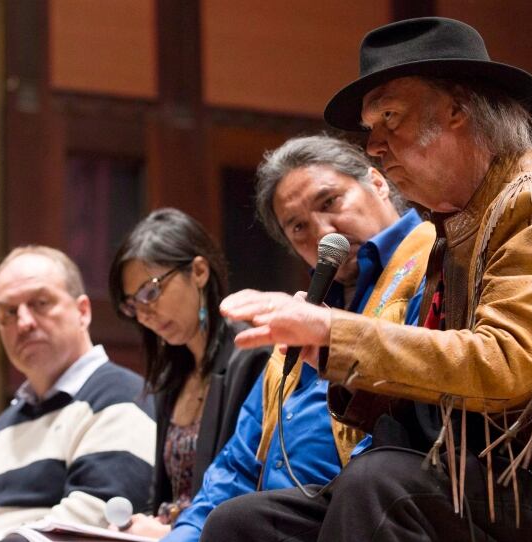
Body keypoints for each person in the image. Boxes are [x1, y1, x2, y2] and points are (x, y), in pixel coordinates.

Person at [207, 17, 532, 542]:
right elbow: (440, 392)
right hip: (463, 474)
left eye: (390, 118)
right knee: (243, 523)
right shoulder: (453, 223)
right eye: (370, 129)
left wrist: (336, 330)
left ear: (459, 109)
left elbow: (508, 365)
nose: (375, 146)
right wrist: (327, 355)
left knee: (379, 484)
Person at [161, 134, 432, 542]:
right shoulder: (305, 310)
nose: (323, 233)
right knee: (227, 519)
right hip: (283, 514)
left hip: (373, 505)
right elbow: (238, 464)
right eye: (299, 227)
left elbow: (417, 422)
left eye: (330, 202)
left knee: (240, 521)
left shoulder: (433, 262)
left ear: (377, 182)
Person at [0, 246, 156, 542]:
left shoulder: (123, 398)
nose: (23, 322)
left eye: (40, 302)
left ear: (82, 311)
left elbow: (92, 526)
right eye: (8, 312)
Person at [107, 208, 271, 537]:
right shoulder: (173, 376)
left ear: (198, 271)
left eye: (150, 292)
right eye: (132, 305)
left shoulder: (252, 355)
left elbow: (249, 486)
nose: (144, 315)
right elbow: (163, 496)